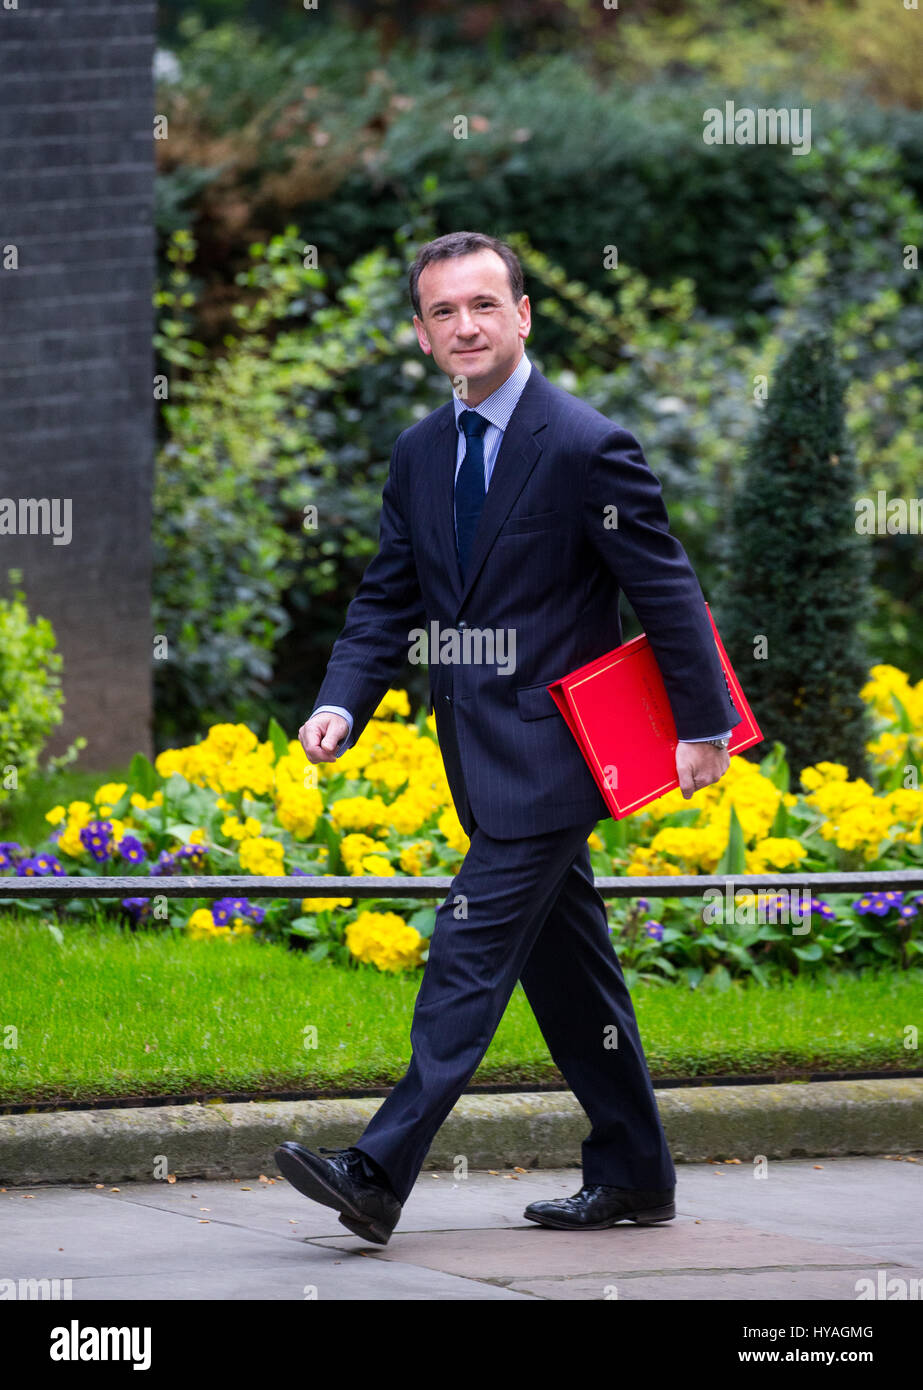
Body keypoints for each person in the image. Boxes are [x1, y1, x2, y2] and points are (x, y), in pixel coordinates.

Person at [275, 230, 739, 1245]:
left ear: (522, 315)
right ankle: (634, 1172)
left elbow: (663, 589)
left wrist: (703, 724)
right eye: (443, 311)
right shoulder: (419, 452)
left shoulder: (582, 443)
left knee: (465, 948)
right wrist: (341, 701)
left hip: (555, 755)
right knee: (571, 976)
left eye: (483, 305)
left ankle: (376, 1170)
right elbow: (386, 594)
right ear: (421, 331)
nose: (464, 326)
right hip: (474, 755)